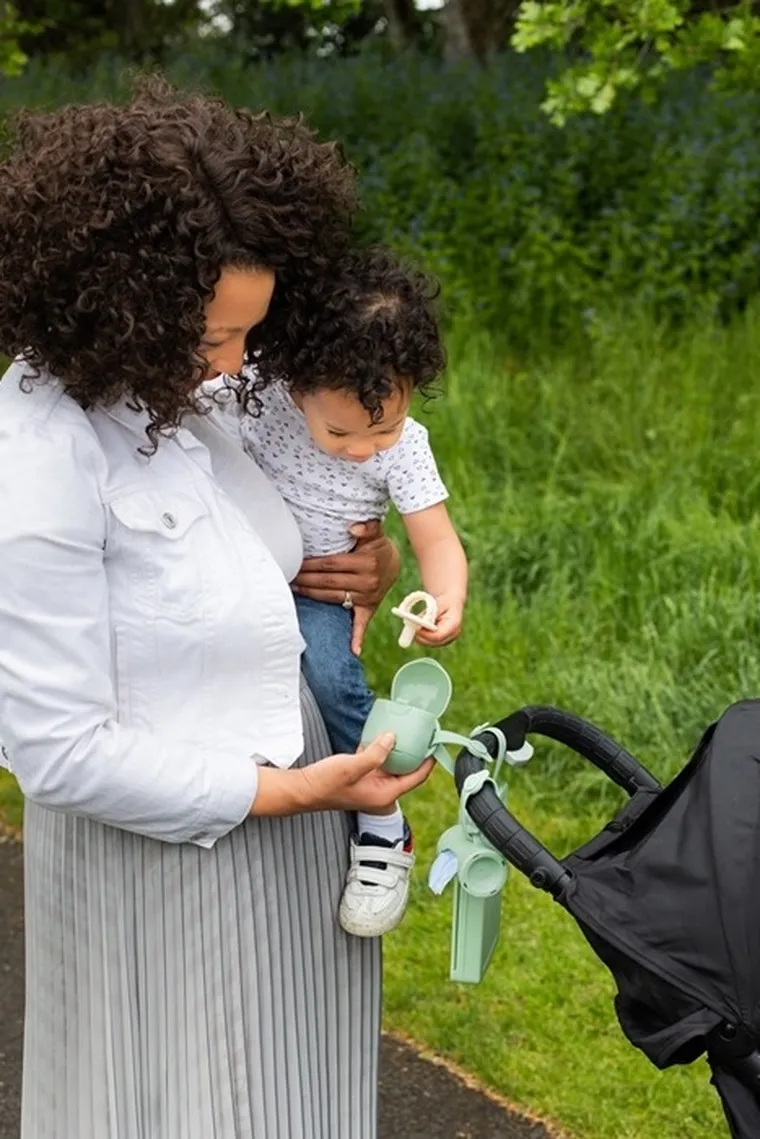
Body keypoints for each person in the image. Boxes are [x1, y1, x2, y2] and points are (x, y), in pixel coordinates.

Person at [0, 77, 433, 1139]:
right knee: (195, 1104)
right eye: (213, 341)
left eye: (251, 331)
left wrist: (352, 566)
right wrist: (286, 794)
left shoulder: (189, 391)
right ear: (117, 311)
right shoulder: (40, 458)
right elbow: (56, 750)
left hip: (297, 819)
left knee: (300, 1097)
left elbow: (250, 547)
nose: (240, 368)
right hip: (167, 861)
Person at [240, 246, 468, 937]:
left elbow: (434, 536)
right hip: (239, 572)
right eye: (340, 431)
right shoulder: (257, 394)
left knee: (335, 678)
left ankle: (381, 824)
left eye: (384, 427)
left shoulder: (405, 447)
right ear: (296, 383)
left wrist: (445, 595)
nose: (364, 448)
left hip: (320, 595)